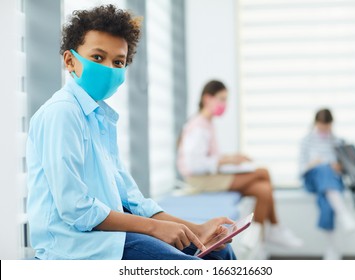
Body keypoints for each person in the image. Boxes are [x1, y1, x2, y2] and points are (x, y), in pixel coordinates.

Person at [26, 5, 236, 260]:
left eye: (118, 62)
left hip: (111, 237)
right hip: (75, 249)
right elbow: (75, 208)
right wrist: (156, 228)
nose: (109, 68)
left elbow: (132, 199)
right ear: (70, 61)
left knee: (221, 252)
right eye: (97, 57)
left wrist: (197, 229)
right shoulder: (62, 113)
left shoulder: (100, 118)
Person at [177, 80, 303, 250]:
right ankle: (274, 227)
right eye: (221, 99)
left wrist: (231, 158)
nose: (224, 104)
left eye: (226, 100)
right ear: (207, 98)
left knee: (263, 189)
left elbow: (208, 156)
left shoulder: (207, 123)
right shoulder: (199, 125)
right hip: (200, 180)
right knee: (263, 172)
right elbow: (194, 165)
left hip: (209, 176)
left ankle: (258, 235)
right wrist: (227, 161)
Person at [299, 108, 355, 260]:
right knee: (323, 169)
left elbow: (345, 168)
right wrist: (313, 164)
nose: (324, 130)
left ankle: (331, 248)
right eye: (321, 126)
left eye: (327, 127)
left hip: (332, 182)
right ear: (316, 123)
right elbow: (301, 170)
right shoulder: (306, 141)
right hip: (312, 179)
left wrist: (339, 166)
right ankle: (343, 214)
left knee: (326, 199)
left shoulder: (338, 142)